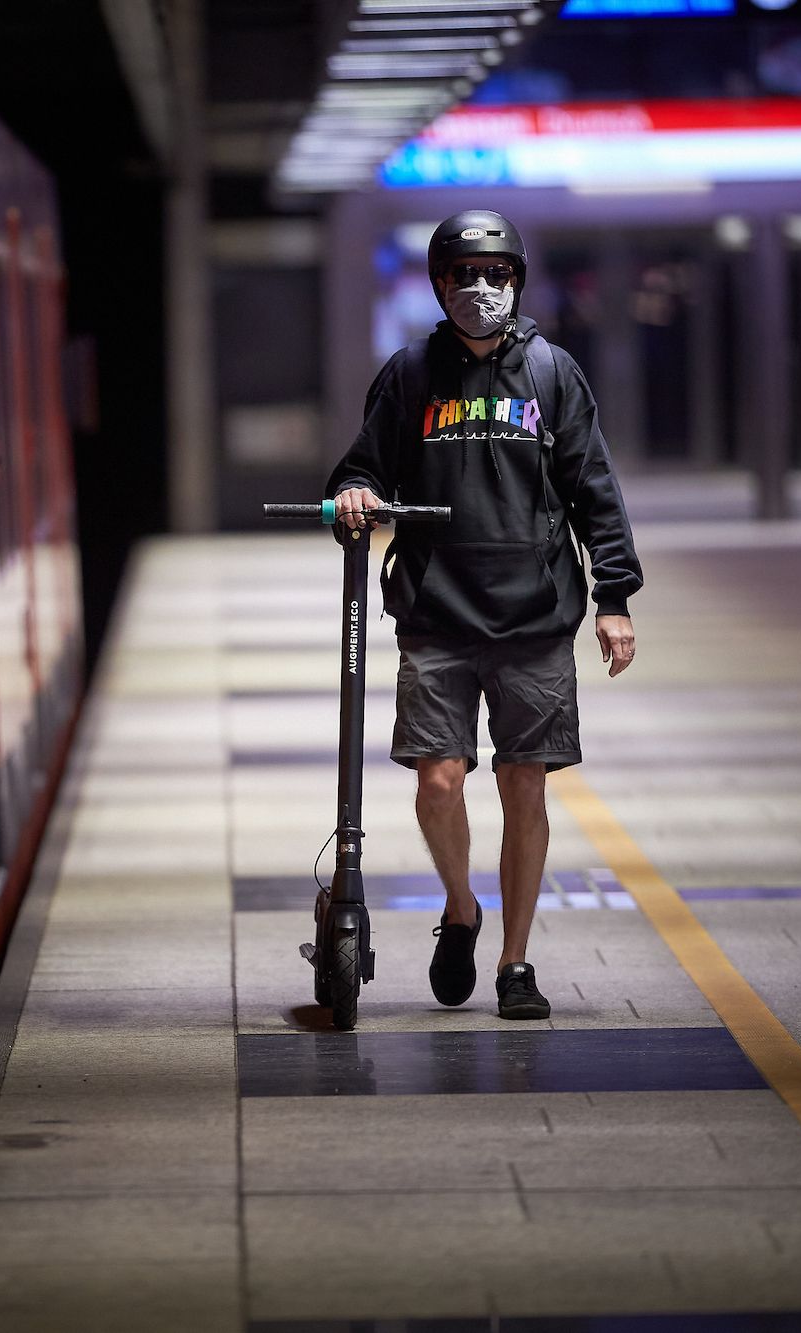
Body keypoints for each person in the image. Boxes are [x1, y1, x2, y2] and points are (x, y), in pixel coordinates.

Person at [325, 209, 642, 1021]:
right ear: (438, 284)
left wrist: (614, 598)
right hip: (437, 609)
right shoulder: (408, 375)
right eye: (464, 275)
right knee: (438, 780)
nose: (480, 289)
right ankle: (461, 909)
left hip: (534, 616)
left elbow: (593, 490)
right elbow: (360, 469)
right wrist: (354, 494)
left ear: (517, 282)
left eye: (496, 275)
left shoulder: (552, 373)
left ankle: (515, 959)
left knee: (523, 782)